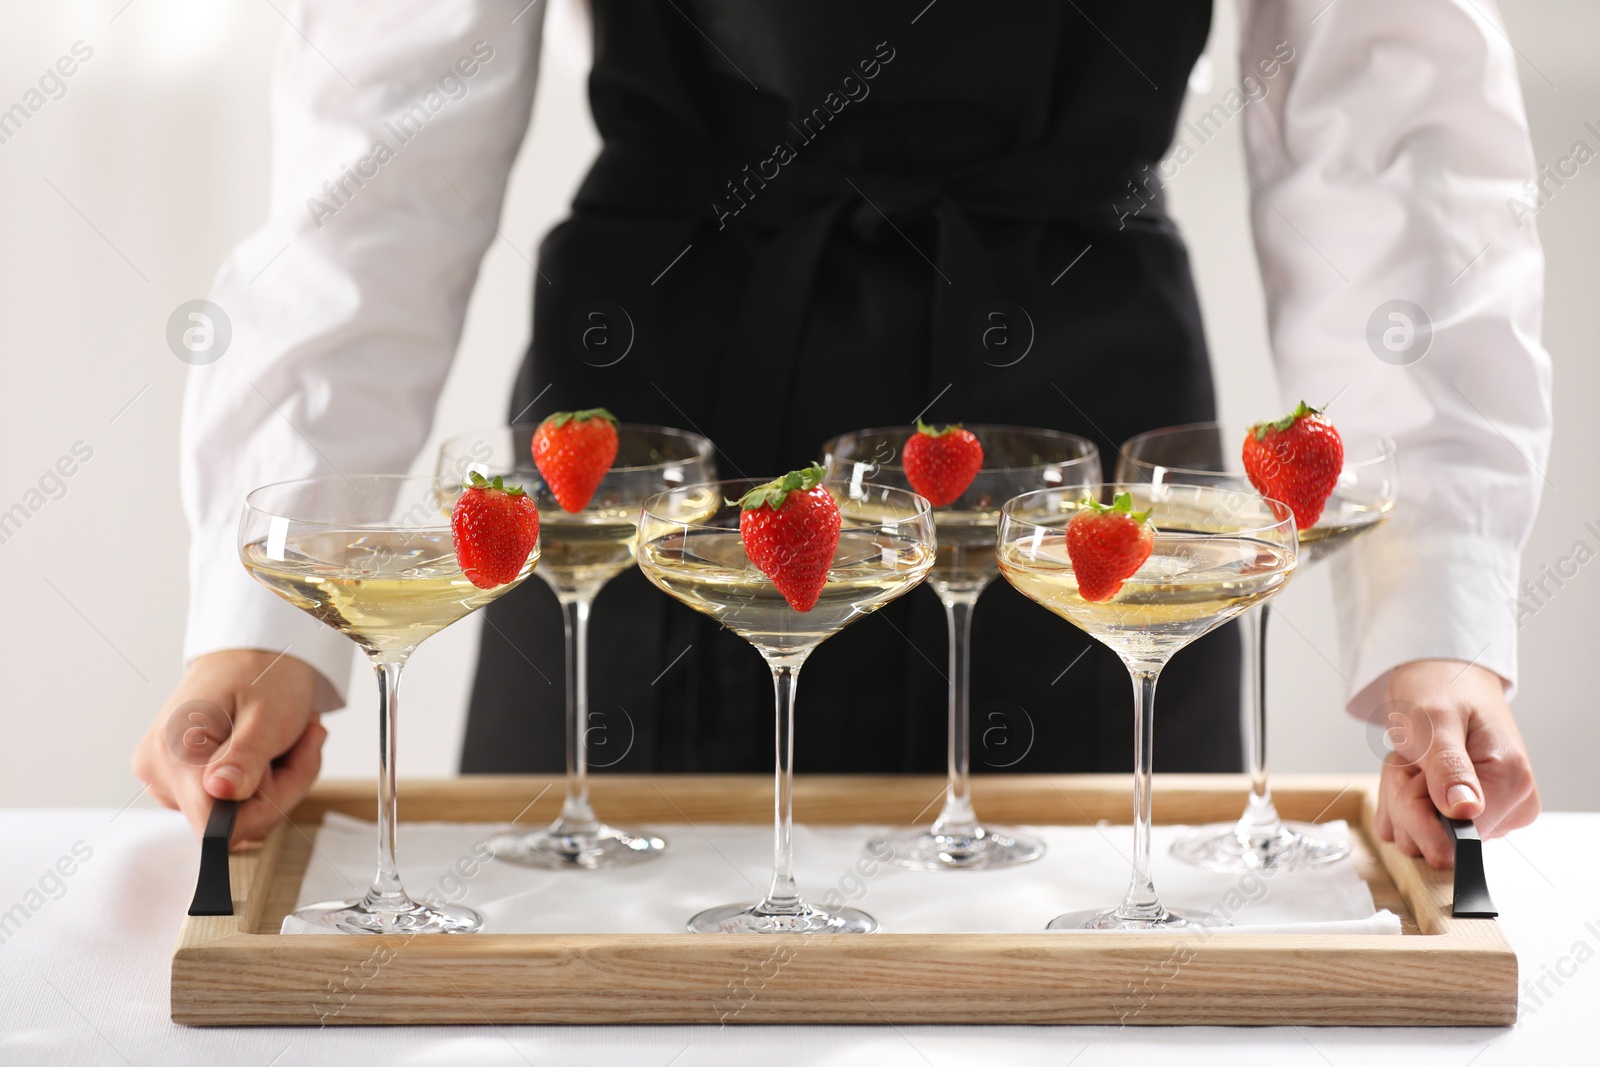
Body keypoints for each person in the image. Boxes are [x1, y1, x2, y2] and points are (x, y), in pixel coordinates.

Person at [134, 0, 1546, 869]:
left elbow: (1392, 121)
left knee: (1095, 988)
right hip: (660, 440)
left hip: (1074, 433)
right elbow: (388, 126)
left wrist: (1431, 618)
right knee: (591, 993)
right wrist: (269, 618)